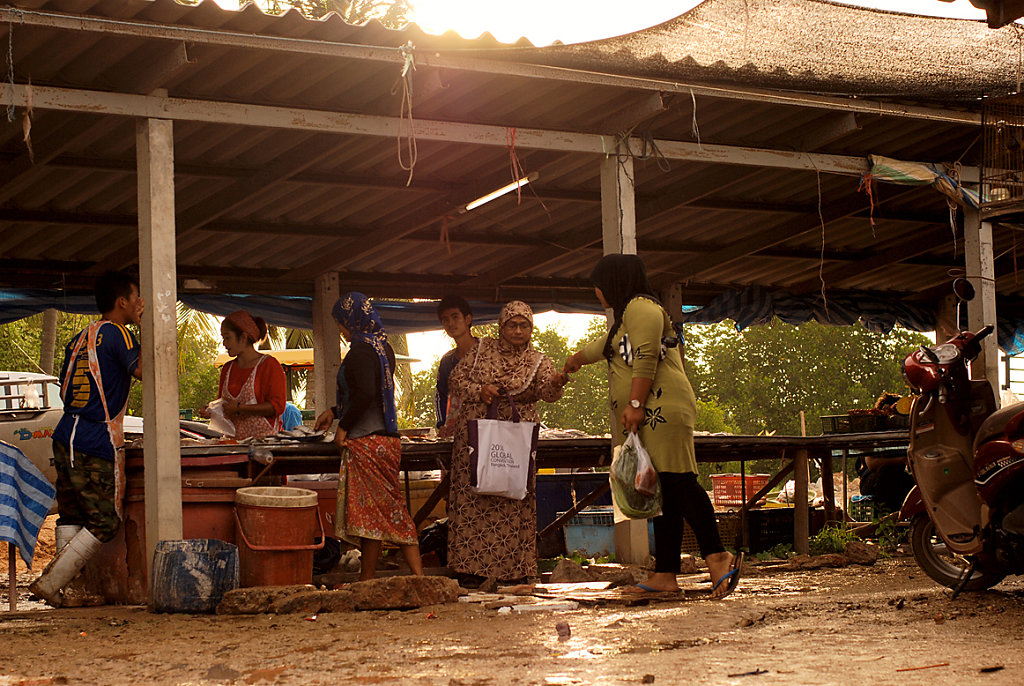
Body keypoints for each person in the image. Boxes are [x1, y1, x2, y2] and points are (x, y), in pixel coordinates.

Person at [563, 254, 741, 599]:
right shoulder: (626, 318)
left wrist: (634, 403)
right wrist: (574, 361)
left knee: (679, 480)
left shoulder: (641, 308)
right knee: (663, 492)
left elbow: (645, 354)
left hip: (661, 408)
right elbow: (608, 347)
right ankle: (665, 574)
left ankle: (718, 556)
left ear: (614, 282)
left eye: (598, 285)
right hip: (652, 410)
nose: (598, 293)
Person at [30, 271, 144, 607]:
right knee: (106, 521)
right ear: (122, 301)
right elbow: (145, 369)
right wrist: (145, 327)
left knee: (73, 516)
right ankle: (52, 582)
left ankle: (71, 590)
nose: (139, 303)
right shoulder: (118, 334)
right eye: (136, 297)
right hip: (95, 438)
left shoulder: (80, 337)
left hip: (65, 433)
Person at [446, 300, 568, 586]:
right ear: (501, 327)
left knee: (513, 497)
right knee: (473, 498)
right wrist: (481, 390)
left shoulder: (539, 360)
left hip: (515, 438)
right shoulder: (481, 350)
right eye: (511, 325)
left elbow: (547, 392)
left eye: (523, 325)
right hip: (475, 437)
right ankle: (470, 572)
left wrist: (558, 381)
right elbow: (455, 381)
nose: (517, 330)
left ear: (531, 329)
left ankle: (514, 571)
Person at [314, 292, 424, 580]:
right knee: (376, 514)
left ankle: (417, 577)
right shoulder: (382, 348)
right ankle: (372, 578)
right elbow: (372, 394)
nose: (341, 329)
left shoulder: (361, 351)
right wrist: (334, 410)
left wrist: (342, 427)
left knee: (386, 513)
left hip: (367, 442)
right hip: (385, 441)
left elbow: (364, 394)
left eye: (341, 323)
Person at [200, 311, 286, 440]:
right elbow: (222, 404)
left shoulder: (269, 365)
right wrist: (211, 410)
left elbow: (277, 406)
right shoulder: (227, 369)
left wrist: (240, 409)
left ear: (244, 337)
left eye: (227, 338)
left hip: (264, 445)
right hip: (233, 444)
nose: (224, 344)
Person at [434, 295, 478, 435]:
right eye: (445, 320)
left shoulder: (488, 351)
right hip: (459, 433)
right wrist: (442, 425)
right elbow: (441, 394)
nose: (451, 323)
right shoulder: (448, 361)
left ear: (467, 319)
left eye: (455, 317)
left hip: (487, 430)